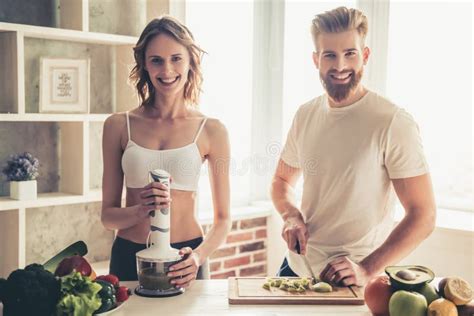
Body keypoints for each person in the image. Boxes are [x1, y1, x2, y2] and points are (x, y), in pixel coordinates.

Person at [270, 6, 436, 286]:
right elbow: (282, 179)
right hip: (295, 268)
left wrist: (367, 269)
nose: (340, 66)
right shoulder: (305, 115)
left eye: (350, 53)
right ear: (315, 60)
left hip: (353, 279)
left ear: (365, 56)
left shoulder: (392, 121)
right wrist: (291, 216)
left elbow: (424, 215)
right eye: (329, 55)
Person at [101, 16, 231, 287]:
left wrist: (197, 257)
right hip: (129, 255)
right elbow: (108, 215)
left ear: (190, 61)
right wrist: (140, 211)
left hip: (186, 258)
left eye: (176, 58)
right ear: (144, 65)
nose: (167, 69)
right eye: (156, 60)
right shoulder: (118, 125)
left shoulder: (212, 130)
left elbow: (223, 220)